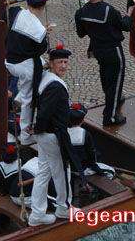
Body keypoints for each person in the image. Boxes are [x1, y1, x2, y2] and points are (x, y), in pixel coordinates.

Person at [29, 45, 79, 226]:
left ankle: (37, 213)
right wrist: (38, 128)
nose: (64, 66)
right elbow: (45, 113)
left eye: (65, 62)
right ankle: (64, 207)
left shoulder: (45, 79)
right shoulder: (56, 86)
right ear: (51, 63)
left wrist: (37, 129)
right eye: (60, 62)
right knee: (62, 171)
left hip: (45, 135)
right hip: (53, 135)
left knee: (43, 172)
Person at [75, 0, 131, 127]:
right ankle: (110, 117)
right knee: (116, 81)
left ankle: (114, 99)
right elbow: (126, 26)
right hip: (113, 50)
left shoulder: (81, 12)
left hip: (97, 50)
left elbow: (81, 33)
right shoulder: (108, 10)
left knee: (106, 77)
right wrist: (129, 15)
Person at [6, 0, 51, 146]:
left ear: (27, 2)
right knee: (28, 100)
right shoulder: (39, 30)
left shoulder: (15, 11)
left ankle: (18, 98)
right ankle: (25, 135)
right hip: (25, 66)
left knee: (44, 66)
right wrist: (45, 32)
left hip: (9, 60)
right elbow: (41, 49)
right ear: (43, 6)